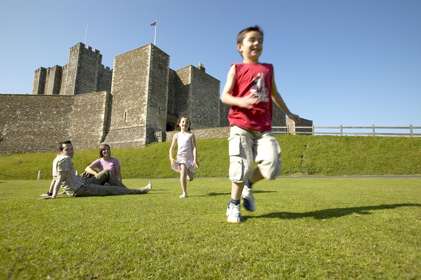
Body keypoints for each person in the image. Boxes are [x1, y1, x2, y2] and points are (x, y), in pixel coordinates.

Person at [220, 25, 299, 223]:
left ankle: (249, 184)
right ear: (240, 46)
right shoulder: (236, 68)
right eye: (252, 40)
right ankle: (234, 205)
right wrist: (241, 101)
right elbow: (225, 96)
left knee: (271, 167)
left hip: (262, 129)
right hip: (240, 125)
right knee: (240, 166)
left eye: (260, 41)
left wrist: (288, 112)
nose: (257, 43)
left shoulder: (268, 69)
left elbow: (275, 94)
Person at [44, 141, 151, 199]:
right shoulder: (65, 159)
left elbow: (55, 178)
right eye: (68, 149)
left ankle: (127, 190)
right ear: (61, 150)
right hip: (79, 190)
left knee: (107, 173)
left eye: (72, 148)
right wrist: (53, 196)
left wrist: (50, 192)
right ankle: (140, 190)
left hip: (82, 183)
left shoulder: (57, 159)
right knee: (112, 190)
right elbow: (59, 179)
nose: (71, 151)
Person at [169, 116, 199, 198]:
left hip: (189, 159)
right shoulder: (176, 135)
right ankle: (184, 193)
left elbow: (194, 148)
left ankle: (188, 174)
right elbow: (172, 148)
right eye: (183, 122)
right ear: (179, 124)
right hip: (181, 158)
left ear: (189, 125)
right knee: (182, 172)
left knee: (191, 177)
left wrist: (195, 160)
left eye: (187, 122)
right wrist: (171, 158)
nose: (184, 123)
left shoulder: (191, 135)